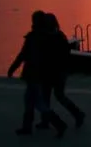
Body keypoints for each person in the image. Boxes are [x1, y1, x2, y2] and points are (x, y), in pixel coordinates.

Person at [8, 10, 67, 138]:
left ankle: (58, 124)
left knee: (37, 102)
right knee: (31, 101)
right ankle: (27, 127)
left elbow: (23, 54)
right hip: (39, 74)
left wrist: (13, 68)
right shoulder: (47, 37)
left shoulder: (34, 37)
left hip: (33, 73)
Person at [36, 13, 85, 130]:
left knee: (55, 96)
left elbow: (57, 55)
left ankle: (77, 114)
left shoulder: (51, 37)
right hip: (54, 72)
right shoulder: (57, 36)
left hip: (56, 72)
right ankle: (46, 121)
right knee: (49, 96)